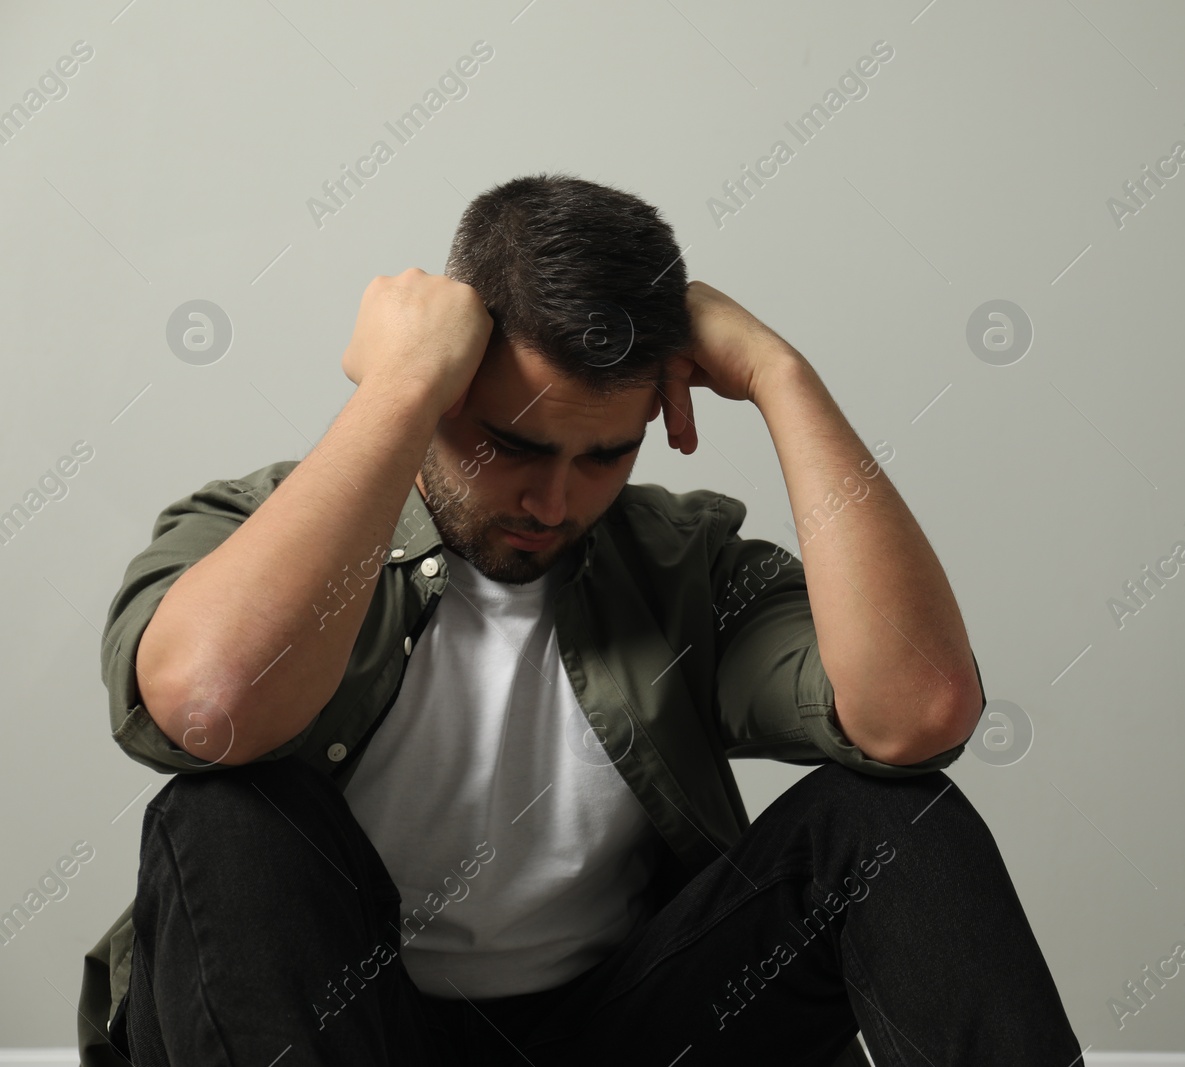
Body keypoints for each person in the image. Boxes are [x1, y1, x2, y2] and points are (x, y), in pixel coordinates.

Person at [77, 172, 1083, 1066]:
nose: (553, 502)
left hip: (619, 1032)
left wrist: (782, 376)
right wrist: (398, 386)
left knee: (890, 816)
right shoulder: (258, 531)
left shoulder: (682, 568)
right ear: (443, 384)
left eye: (603, 454)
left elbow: (918, 712)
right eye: (510, 444)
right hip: (351, 1031)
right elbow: (208, 705)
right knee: (220, 813)